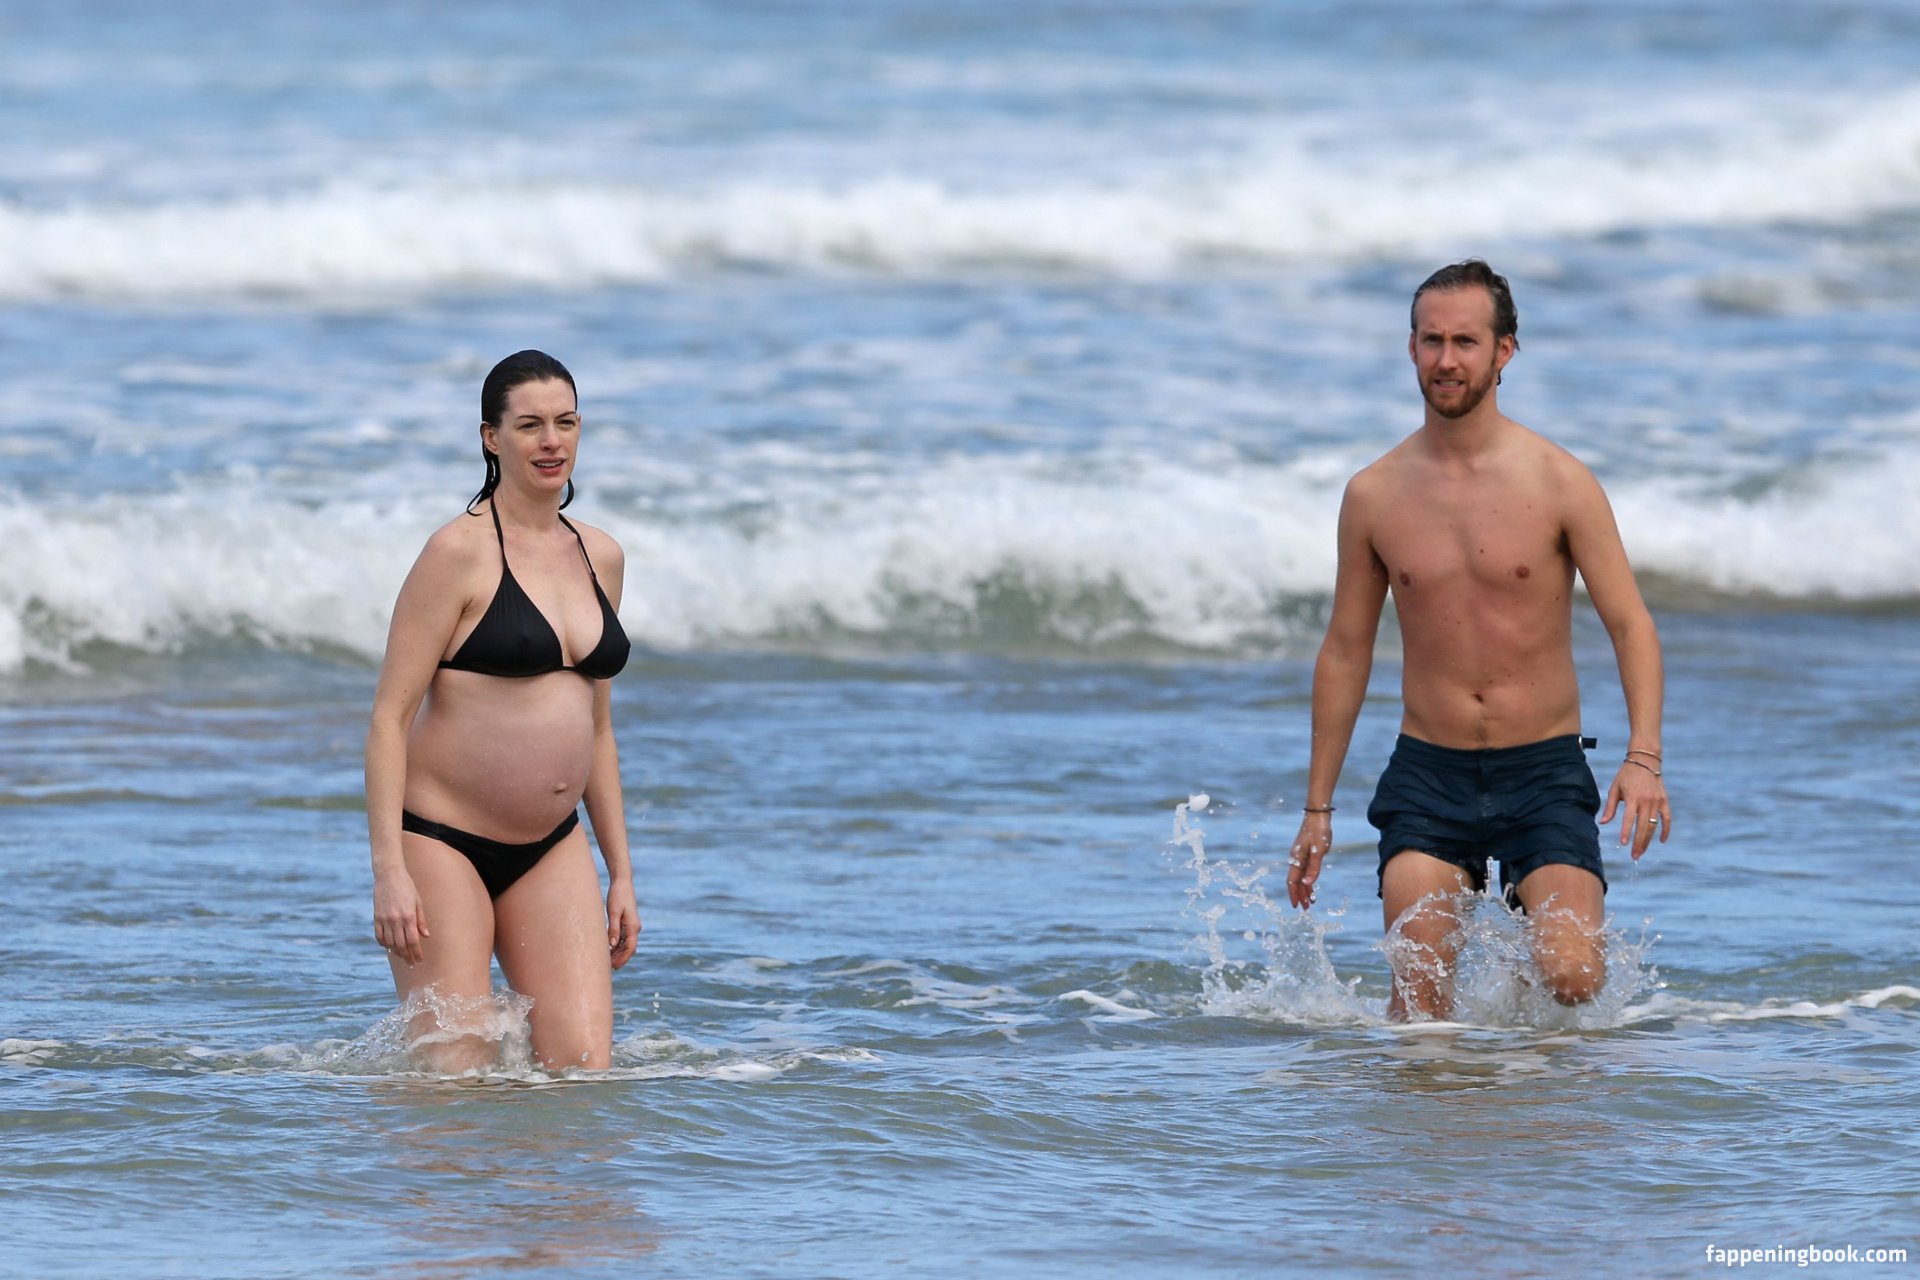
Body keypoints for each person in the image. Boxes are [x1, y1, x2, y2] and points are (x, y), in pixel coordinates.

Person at [1286, 260, 1671, 1020]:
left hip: (1545, 773)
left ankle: (1520, 1072)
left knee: (1572, 977)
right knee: (1418, 1003)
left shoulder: (1560, 482)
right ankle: (1450, 1098)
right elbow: (1345, 651)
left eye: (1466, 341)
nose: (1447, 360)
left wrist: (1644, 757)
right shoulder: (1374, 494)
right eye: (1431, 341)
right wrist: (1317, 808)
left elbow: (1631, 622)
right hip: (1428, 776)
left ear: (1504, 351)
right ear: (1411, 348)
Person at [365, 350, 639, 1070]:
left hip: (552, 845)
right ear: (491, 437)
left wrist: (621, 871)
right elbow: (390, 718)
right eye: (529, 425)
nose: (551, 442)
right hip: (442, 841)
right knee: (455, 1078)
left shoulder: (602, 556)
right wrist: (389, 870)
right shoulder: (456, 553)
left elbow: (597, 727)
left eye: (565, 423)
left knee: (582, 1073)